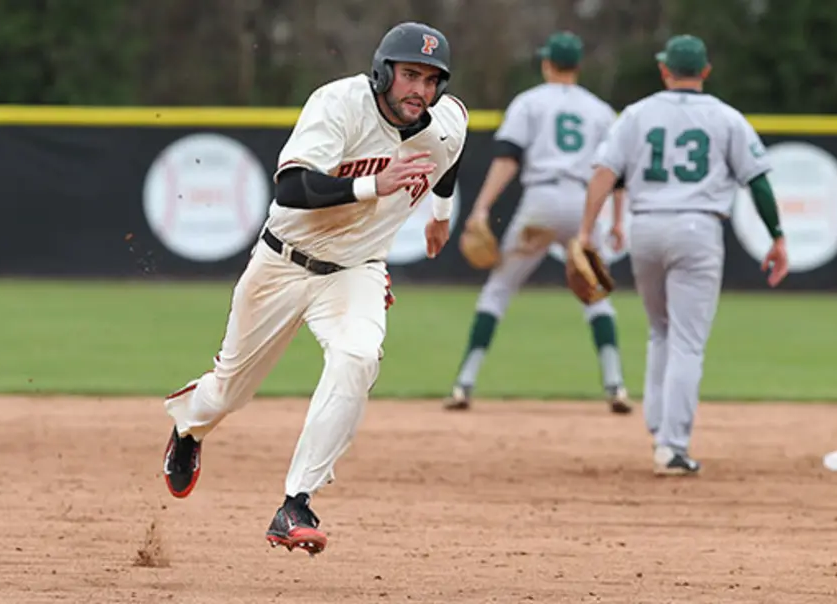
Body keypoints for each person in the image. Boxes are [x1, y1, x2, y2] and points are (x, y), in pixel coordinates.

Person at [159, 21, 469, 555]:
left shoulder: (446, 122)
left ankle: (295, 501)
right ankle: (189, 428)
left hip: (357, 270)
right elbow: (292, 187)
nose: (420, 89)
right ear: (383, 71)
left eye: (431, 80)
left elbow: (449, 160)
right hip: (282, 264)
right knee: (230, 391)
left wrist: (440, 213)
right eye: (409, 75)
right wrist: (375, 184)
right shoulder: (338, 105)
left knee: (358, 356)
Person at [578, 34, 789, 475]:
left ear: (664, 70)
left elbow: (603, 173)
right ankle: (672, 447)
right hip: (698, 228)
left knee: (660, 331)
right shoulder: (727, 117)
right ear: (705, 72)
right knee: (688, 342)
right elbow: (759, 181)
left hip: (648, 228)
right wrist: (777, 236)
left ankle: (658, 428)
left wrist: (585, 232)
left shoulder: (637, 113)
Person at [443, 31, 631, 414]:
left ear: (547, 64)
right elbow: (614, 172)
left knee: (498, 290)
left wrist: (481, 207)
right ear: (578, 66)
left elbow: (508, 158)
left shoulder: (528, 103)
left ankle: (464, 383)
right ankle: (616, 385)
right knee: (595, 295)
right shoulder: (599, 110)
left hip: (541, 205)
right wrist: (617, 219)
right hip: (583, 204)